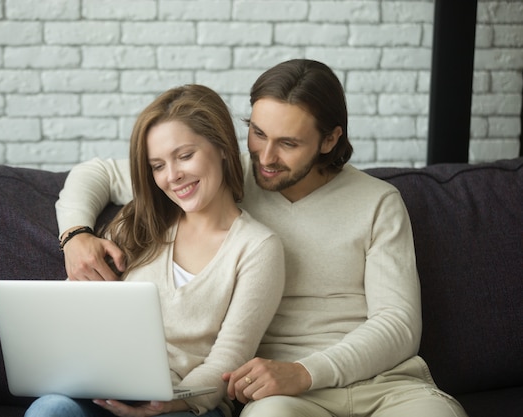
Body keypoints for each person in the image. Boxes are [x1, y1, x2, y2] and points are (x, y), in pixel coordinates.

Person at [55, 59, 468, 417]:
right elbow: (101, 174)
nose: (266, 158)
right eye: (257, 133)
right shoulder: (222, 178)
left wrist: (306, 371)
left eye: (288, 143)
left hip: (385, 384)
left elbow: (397, 324)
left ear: (329, 139)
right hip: (279, 395)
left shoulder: (378, 202)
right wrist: (76, 234)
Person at [26, 84, 285, 417]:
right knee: (51, 408)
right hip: (104, 393)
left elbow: (227, 362)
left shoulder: (257, 248)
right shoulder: (140, 222)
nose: (173, 176)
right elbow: (76, 317)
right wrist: (75, 238)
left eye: (185, 156)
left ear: (221, 146)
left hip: (186, 405)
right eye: (158, 166)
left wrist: (168, 402)